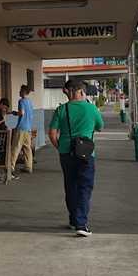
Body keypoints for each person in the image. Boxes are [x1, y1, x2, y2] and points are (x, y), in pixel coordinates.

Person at [48, 79, 104, 237]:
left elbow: (52, 133)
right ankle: (81, 223)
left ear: (70, 92)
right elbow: (100, 127)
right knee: (84, 187)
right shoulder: (91, 108)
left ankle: (73, 219)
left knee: (70, 185)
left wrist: (60, 147)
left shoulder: (61, 109)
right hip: (86, 153)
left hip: (66, 153)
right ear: (80, 92)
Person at [0, 98, 17, 181]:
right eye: (4, 107)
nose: (4, 109)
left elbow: (5, 113)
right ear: (0, 104)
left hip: (3, 134)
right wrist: (2, 120)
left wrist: (12, 112)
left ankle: (6, 171)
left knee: (4, 153)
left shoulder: (1, 111)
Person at [11, 85, 34, 174]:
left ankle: (11, 167)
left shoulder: (21, 101)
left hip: (21, 128)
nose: (19, 92)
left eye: (20, 90)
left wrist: (15, 113)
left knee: (15, 147)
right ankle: (28, 167)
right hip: (28, 128)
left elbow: (22, 113)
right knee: (27, 148)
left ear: (24, 91)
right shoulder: (30, 102)